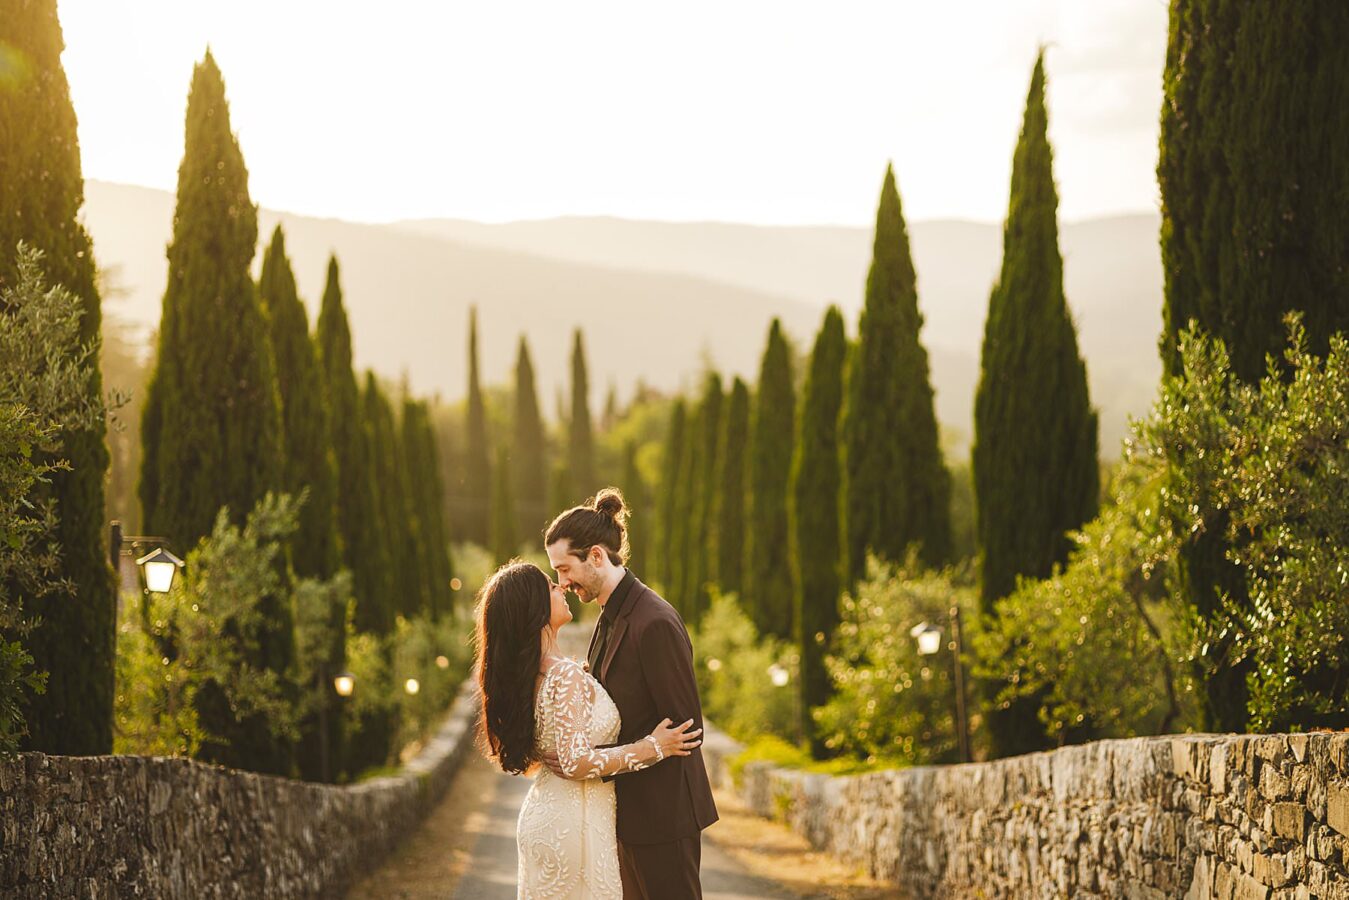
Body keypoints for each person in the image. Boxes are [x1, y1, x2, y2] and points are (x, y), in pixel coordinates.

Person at [474, 557, 702, 899]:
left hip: (550, 816)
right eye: (551, 586)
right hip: (573, 825)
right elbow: (575, 762)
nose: (561, 587)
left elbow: (555, 749)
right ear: (535, 607)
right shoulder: (563, 675)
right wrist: (655, 746)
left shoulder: (535, 675)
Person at [542, 488, 719, 898]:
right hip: (626, 814)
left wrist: (594, 761)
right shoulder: (610, 615)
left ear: (596, 556)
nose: (562, 583)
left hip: (664, 817)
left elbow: (686, 730)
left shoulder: (653, 621)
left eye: (565, 569)